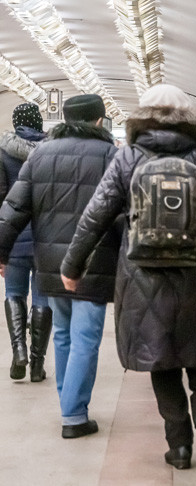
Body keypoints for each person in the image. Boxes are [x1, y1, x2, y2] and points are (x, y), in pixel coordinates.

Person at [60, 84, 196, 470]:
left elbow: (95, 215)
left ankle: (178, 447)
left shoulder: (128, 157)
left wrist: (72, 266)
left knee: (160, 360)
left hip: (141, 276)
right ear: (188, 116)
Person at [0, 94, 119, 438]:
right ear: (99, 121)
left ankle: (69, 404)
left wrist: (2, 251)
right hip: (92, 263)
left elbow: (13, 209)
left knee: (65, 334)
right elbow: (126, 213)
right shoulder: (111, 156)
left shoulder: (40, 156)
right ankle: (73, 414)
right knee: (85, 337)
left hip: (50, 263)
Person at [0, 103, 53, 382]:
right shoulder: (52, 152)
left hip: (14, 236)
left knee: (14, 294)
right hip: (46, 238)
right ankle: (36, 365)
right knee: (43, 299)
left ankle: (18, 349)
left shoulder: (2, 153)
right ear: (40, 121)